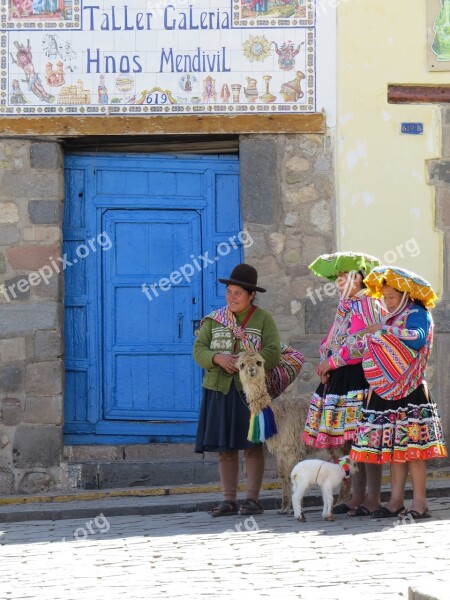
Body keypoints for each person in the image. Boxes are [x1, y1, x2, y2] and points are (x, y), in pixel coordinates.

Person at [350, 266, 447, 519]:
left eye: (391, 297)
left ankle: (420, 503)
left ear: (405, 295)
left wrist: (384, 331)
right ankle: (395, 502)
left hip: (411, 391)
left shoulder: (418, 313)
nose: (387, 301)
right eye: (384, 297)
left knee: (414, 449)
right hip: (387, 390)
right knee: (397, 448)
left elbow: (417, 339)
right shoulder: (390, 317)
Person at [302, 251, 386, 516]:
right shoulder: (346, 305)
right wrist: (325, 360)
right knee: (350, 441)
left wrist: (334, 361)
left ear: (359, 278)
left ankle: (372, 498)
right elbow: (334, 336)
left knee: (366, 439)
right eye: (337, 278)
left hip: (359, 377)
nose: (339, 282)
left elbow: (368, 341)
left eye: (344, 277)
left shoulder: (369, 303)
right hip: (340, 376)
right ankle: (356, 496)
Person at [194, 263, 281, 517]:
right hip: (219, 390)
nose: (232, 297)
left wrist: (245, 361)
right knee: (226, 447)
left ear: (251, 295)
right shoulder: (214, 319)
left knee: (253, 444)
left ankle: (252, 500)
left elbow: (273, 353)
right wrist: (217, 358)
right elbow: (199, 350)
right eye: (229, 292)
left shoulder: (263, 319)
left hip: (251, 393)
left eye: (238, 293)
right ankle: (229, 500)